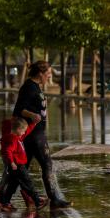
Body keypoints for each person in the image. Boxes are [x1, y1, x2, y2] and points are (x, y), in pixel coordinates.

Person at [13, 61, 71, 208]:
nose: (49, 77)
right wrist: (32, 115)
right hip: (33, 134)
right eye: (48, 74)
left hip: (35, 133)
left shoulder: (35, 87)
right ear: (40, 74)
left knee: (21, 169)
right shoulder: (28, 87)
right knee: (47, 164)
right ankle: (54, 199)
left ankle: (4, 197)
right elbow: (19, 109)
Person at [0, 117, 48, 211]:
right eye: (23, 131)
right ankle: (37, 202)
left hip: (16, 166)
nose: (24, 133)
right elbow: (8, 151)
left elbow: (27, 131)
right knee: (28, 183)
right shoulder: (13, 139)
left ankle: (4, 202)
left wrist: (34, 124)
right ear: (19, 130)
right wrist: (11, 162)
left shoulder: (17, 137)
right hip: (18, 166)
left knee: (12, 185)